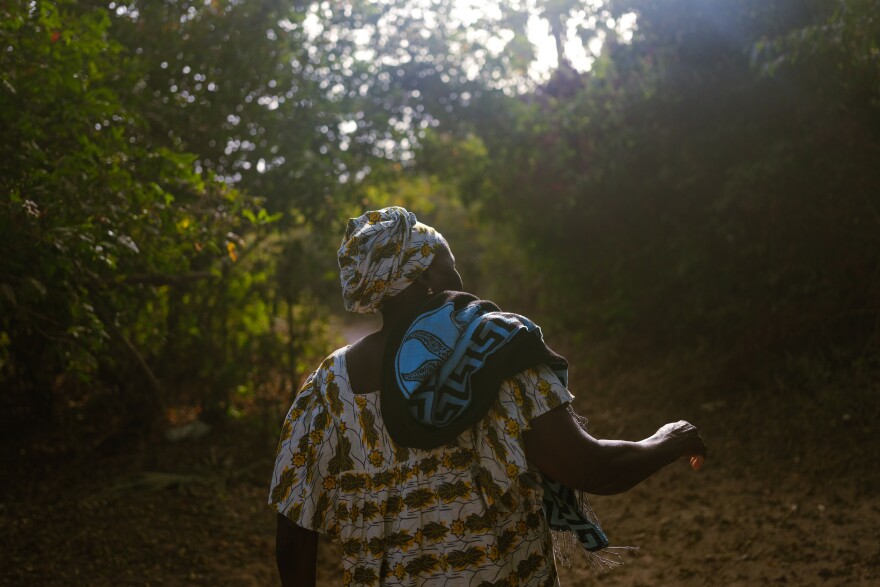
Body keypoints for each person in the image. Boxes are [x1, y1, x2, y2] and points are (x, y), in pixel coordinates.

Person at [269, 207, 707, 586]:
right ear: (425, 273)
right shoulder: (498, 344)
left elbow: (292, 534)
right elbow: (589, 467)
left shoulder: (328, 385)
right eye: (450, 264)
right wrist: (669, 439)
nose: (460, 278)